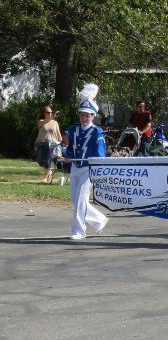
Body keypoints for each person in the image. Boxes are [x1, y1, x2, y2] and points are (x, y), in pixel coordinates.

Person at [62, 84, 108, 240]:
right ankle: (99, 220)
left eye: (87, 115)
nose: (84, 118)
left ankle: (79, 231)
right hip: (75, 166)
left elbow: (100, 153)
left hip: (88, 169)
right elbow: (69, 148)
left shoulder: (97, 132)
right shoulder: (73, 129)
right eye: (82, 115)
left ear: (93, 116)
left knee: (81, 200)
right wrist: (67, 155)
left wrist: (96, 162)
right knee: (76, 201)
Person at [35, 106, 62, 183]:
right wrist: (53, 116)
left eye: (51, 112)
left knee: (47, 161)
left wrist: (59, 142)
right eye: (48, 112)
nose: (50, 114)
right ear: (44, 113)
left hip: (52, 145)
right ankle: (49, 172)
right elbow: (44, 122)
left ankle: (46, 177)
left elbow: (59, 136)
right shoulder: (41, 121)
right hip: (42, 144)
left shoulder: (55, 123)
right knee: (39, 160)